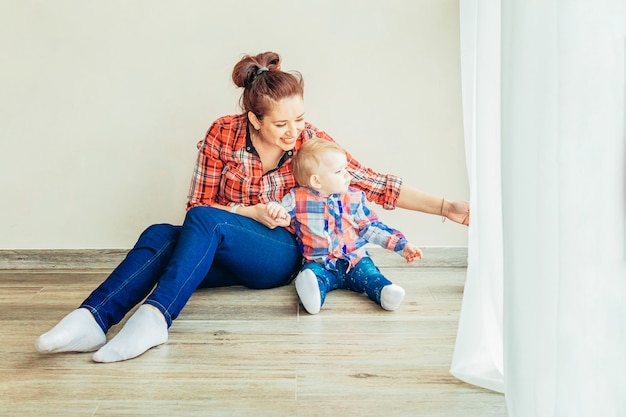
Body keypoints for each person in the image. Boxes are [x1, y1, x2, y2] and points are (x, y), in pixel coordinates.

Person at [35, 51, 470, 363]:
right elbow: (197, 204)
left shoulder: (307, 140)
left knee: (203, 221)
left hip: (280, 254)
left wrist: (444, 205)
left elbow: (370, 182)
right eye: (282, 123)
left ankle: (154, 320)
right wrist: (251, 211)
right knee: (160, 234)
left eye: (299, 119)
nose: (293, 131)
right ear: (254, 119)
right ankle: (92, 318)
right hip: (227, 240)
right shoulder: (222, 135)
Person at [266, 138, 424, 314]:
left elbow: (372, 227)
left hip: (354, 260)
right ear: (317, 181)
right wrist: (276, 208)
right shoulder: (297, 198)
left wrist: (401, 245)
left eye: (346, 169)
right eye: (339, 171)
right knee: (314, 274)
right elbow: (282, 212)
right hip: (320, 262)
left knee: (369, 275)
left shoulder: (354, 198)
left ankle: (385, 291)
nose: (347, 175)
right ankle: (313, 294)